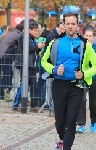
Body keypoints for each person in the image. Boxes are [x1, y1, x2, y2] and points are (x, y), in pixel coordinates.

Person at [41, 12, 96, 150]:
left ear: (77, 25)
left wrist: (83, 74)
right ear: (64, 25)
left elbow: (94, 66)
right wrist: (54, 70)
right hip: (59, 85)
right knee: (60, 122)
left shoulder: (85, 45)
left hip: (76, 86)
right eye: (68, 23)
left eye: (73, 23)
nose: (70, 26)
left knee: (71, 121)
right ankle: (61, 138)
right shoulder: (56, 42)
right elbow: (43, 61)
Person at [14, 21, 45, 111]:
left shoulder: (32, 38)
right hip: (25, 64)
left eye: (37, 30)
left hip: (31, 64)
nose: (36, 32)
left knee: (33, 85)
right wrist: (38, 47)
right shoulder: (24, 37)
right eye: (35, 30)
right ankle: (17, 104)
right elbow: (27, 49)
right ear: (29, 30)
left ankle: (34, 105)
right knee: (24, 84)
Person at [76, 26, 96, 133]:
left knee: (93, 102)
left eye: (90, 36)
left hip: (94, 78)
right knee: (81, 100)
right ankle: (81, 124)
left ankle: (93, 121)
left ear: (93, 37)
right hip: (82, 78)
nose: (88, 38)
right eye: (86, 35)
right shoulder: (79, 48)